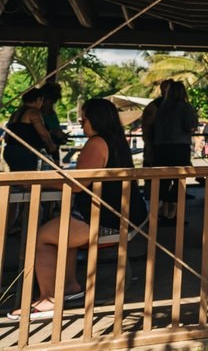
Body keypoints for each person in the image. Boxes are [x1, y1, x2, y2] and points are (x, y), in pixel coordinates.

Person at [6, 98, 147, 321]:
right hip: (124, 216)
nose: (81, 122)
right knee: (61, 228)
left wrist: (36, 181)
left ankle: (47, 300)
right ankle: (70, 286)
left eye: (85, 118)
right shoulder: (116, 140)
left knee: (41, 237)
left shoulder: (97, 143)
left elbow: (75, 184)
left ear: (97, 120)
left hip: (106, 221)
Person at [151, 80, 198, 225]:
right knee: (179, 181)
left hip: (160, 148)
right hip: (179, 147)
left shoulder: (161, 108)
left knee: (163, 181)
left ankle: (162, 212)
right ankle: (173, 214)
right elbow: (191, 127)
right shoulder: (186, 107)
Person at [3, 88, 59, 172]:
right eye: (41, 100)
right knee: (27, 180)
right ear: (38, 99)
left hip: (10, 150)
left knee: (16, 179)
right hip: (24, 152)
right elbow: (43, 133)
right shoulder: (33, 112)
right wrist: (51, 145)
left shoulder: (16, 113)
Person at [39, 82, 69, 150]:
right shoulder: (34, 113)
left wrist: (61, 135)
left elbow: (56, 129)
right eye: (50, 101)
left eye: (53, 101)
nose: (50, 104)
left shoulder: (52, 113)